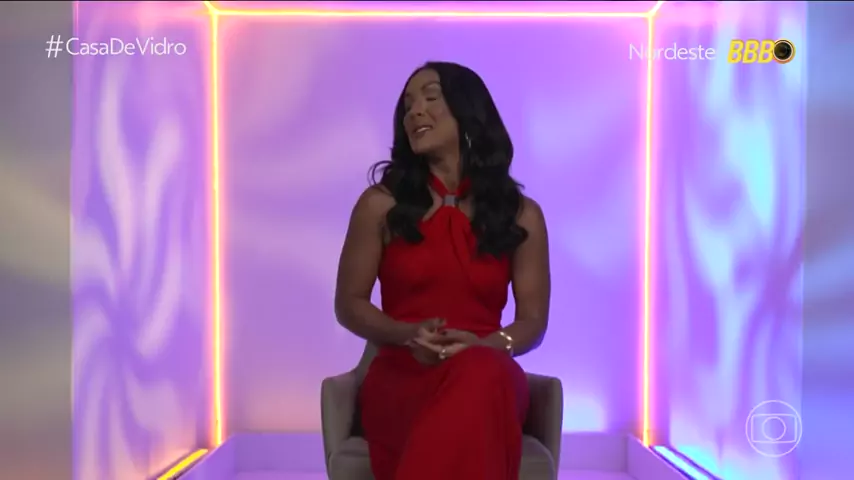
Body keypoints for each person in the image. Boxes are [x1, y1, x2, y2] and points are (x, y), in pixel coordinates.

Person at [334, 61, 551, 480]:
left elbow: (533, 322)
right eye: (407, 106)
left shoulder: (523, 215)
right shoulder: (379, 205)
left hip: (490, 369)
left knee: (482, 374)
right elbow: (348, 303)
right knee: (478, 385)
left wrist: (487, 345)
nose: (415, 111)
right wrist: (406, 334)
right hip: (403, 375)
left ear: (469, 111)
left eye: (431, 97)